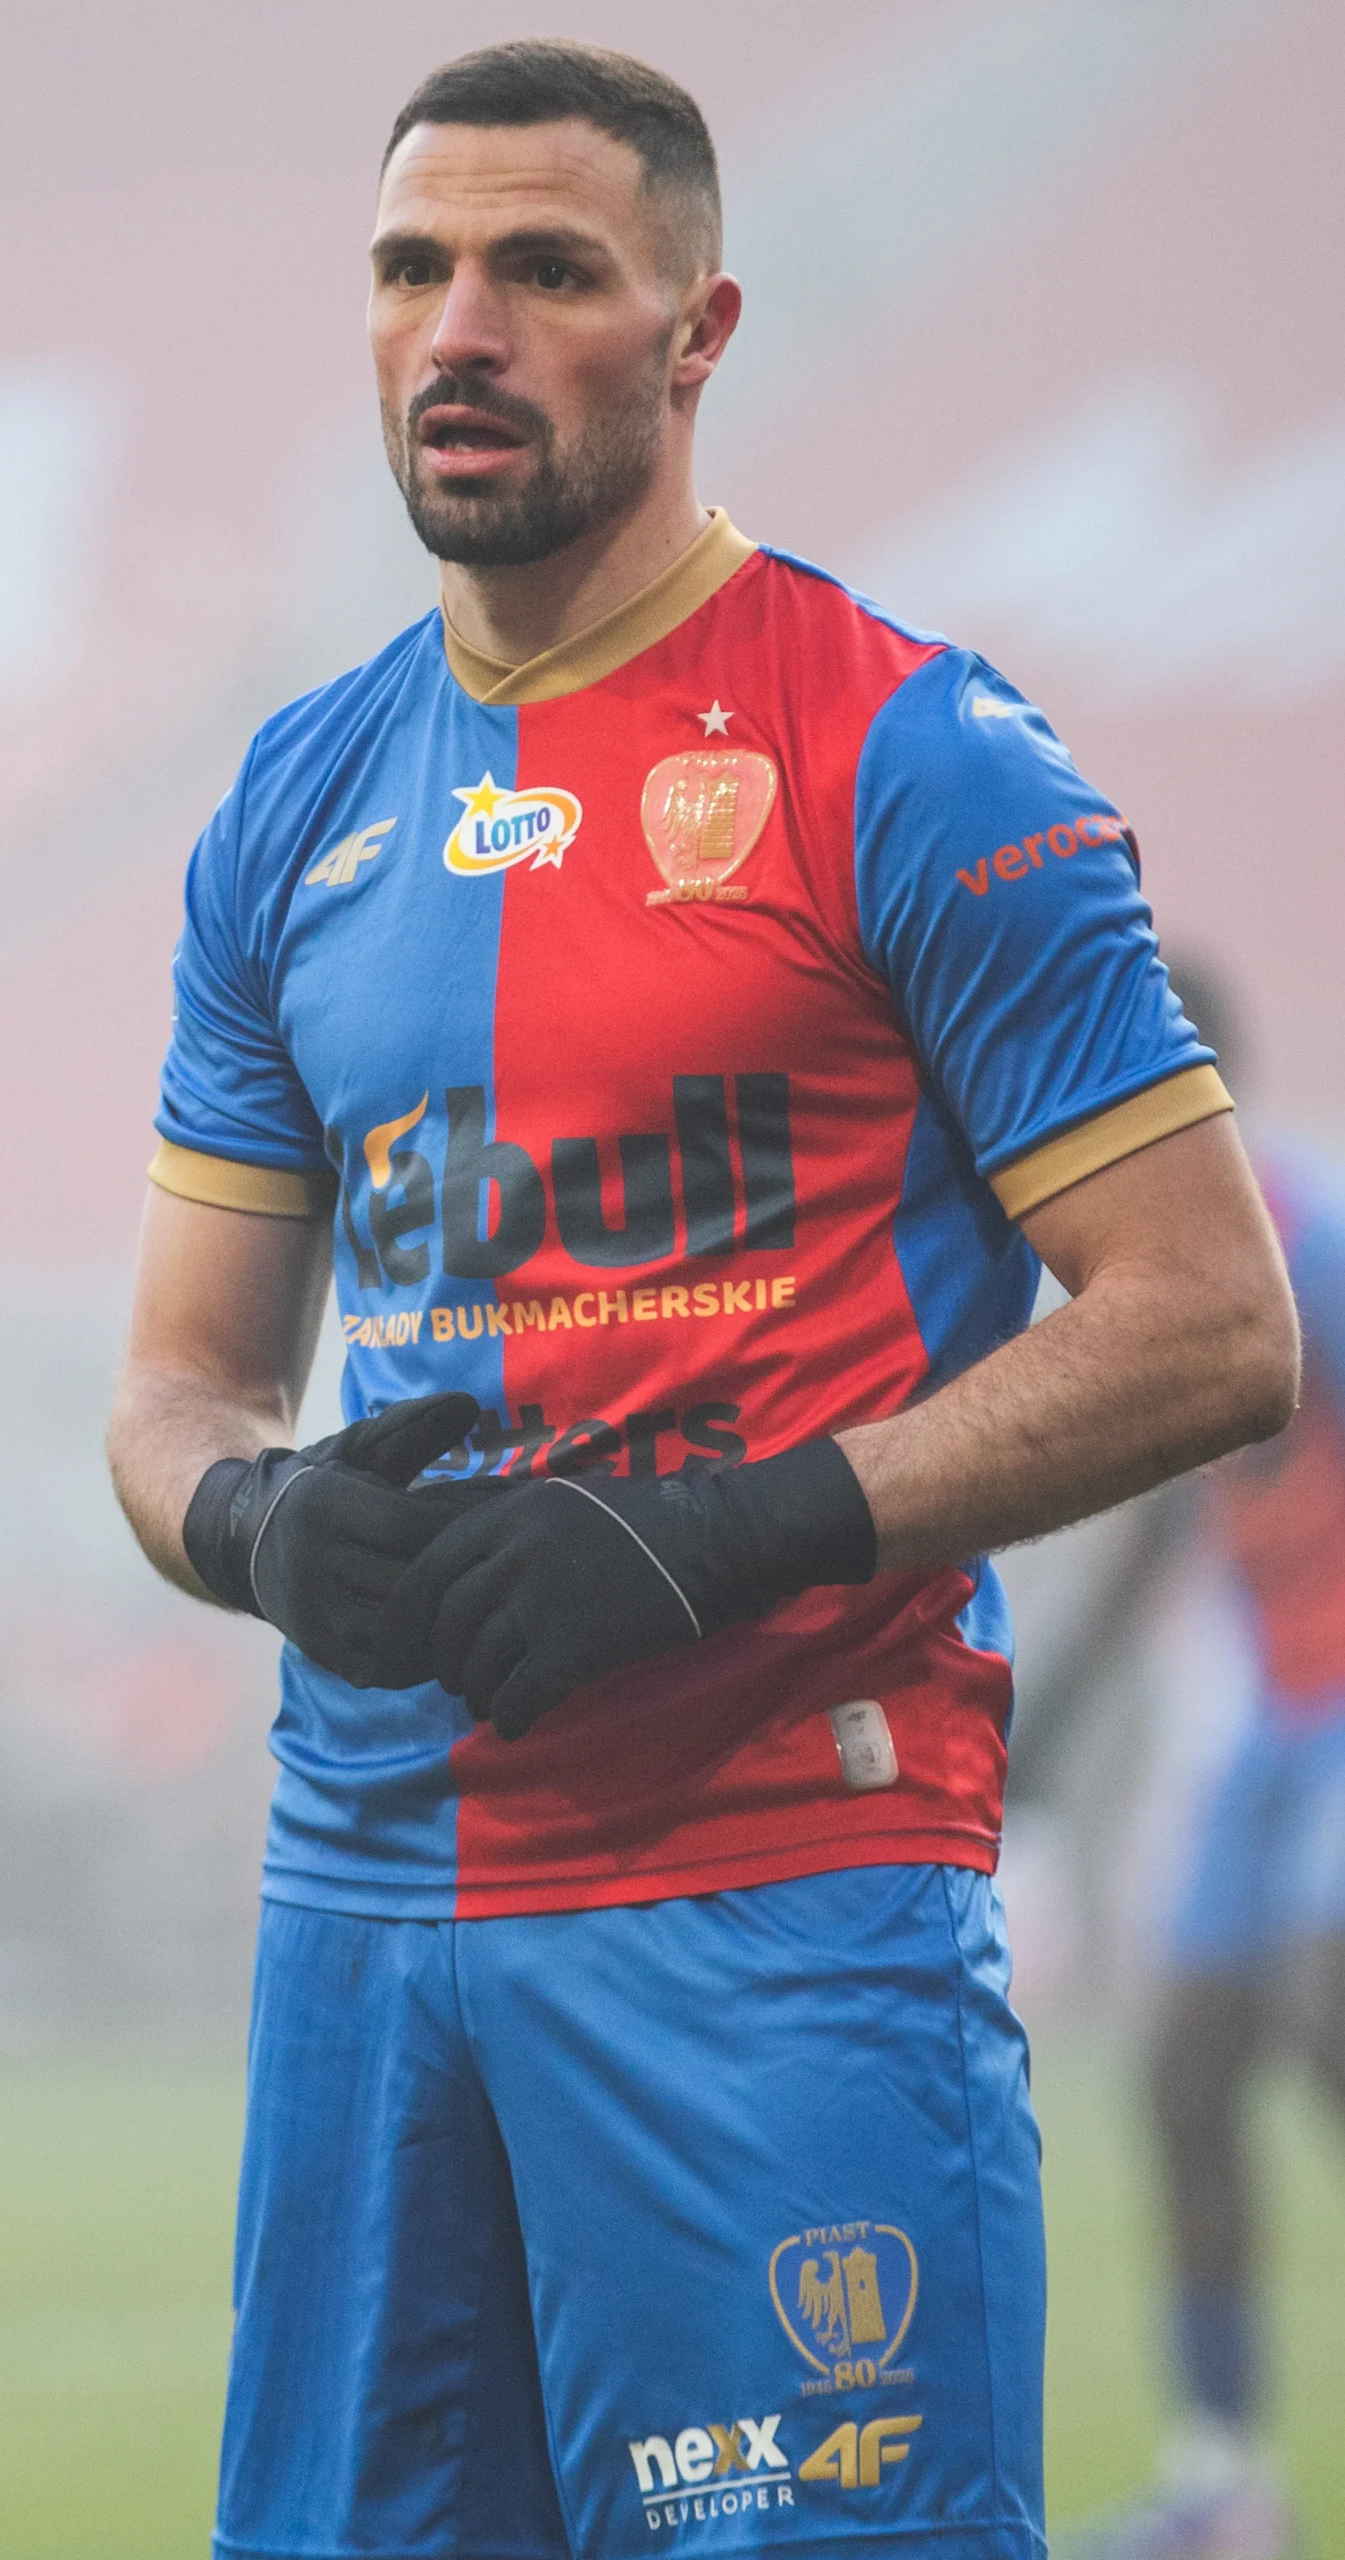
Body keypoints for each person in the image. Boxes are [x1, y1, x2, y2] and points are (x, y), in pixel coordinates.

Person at [106, 43, 1296, 2560]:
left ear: (697, 330)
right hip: (366, 1908)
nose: (461, 330)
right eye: (413, 269)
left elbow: (1209, 1321)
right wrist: (259, 1522)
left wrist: (724, 1532)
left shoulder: (915, 751)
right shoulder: (289, 805)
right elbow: (175, 1384)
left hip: (776, 1884)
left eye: (546, 270)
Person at [1071, 977, 1345, 2560]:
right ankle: (1222, 2485)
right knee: (1182, 2066)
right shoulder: (1147, 1257)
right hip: (1267, 1704)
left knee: (1325, 2002)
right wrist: (1045, 1728)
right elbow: (1162, 1513)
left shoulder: (1311, 1234)